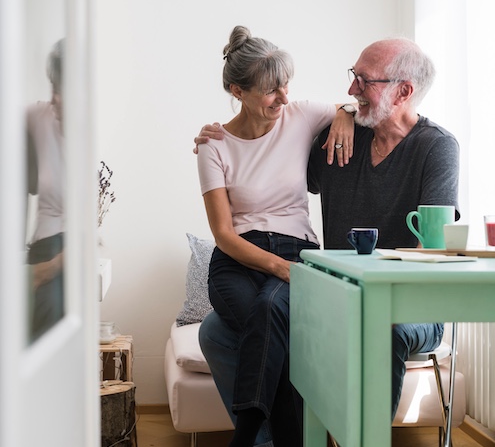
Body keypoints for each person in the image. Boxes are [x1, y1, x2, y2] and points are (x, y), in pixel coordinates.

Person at [195, 36, 460, 441]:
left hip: (406, 304)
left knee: (382, 329)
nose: (351, 89)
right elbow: (274, 148)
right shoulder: (341, 141)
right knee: (215, 330)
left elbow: (434, 247)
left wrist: (344, 114)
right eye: (352, 77)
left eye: (364, 81)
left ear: (403, 91)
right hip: (336, 294)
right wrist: (218, 136)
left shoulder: (437, 147)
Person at [196, 25, 355, 447]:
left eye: (286, 85)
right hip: (236, 261)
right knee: (270, 325)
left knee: (269, 315)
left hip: (297, 247)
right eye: (271, 90)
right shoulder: (213, 145)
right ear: (238, 90)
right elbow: (224, 234)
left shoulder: (300, 115)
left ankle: (247, 437)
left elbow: (356, 102)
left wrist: (344, 113)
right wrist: (277, 267)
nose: (283, 97)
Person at [26, 39, 66, 342]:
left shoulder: (93, 137)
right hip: (42, 243)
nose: (56, 98)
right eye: (54, 87)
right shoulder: (38, 118)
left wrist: (49, 269)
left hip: (70, 251)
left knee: (52, 308)